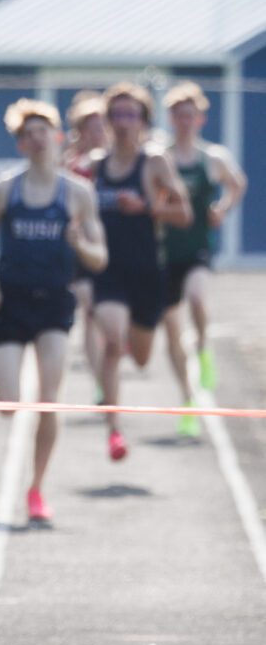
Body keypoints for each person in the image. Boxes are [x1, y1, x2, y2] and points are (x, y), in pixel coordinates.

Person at [0, 98, 107, 523]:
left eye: (41, 131)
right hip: (11, 303)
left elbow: (100, 257)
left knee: (49, 400)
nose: (35, 138)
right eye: (26, 134)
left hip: (53, 304)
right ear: (20, 144)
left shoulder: (78, 193)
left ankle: (36, 489)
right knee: (11, 405)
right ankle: (3, 390)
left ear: (56, 136)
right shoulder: (5, 189)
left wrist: (77, 244)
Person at [91, 82, 191, 460]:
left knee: (142, 357)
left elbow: (184, 214)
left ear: (144, 121)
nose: (122, 122)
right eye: (116, 114)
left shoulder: (154, 163)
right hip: (108, 272)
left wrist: (147, 207)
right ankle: (114, 430)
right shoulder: (96, 166)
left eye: (130, 114)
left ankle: (134, 341)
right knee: (113, 344)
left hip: (148, 274)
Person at [162, 81, 248, 436]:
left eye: (190, 115)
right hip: (165, 251)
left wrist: (222, 209)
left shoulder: (212, 157)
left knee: (197, 297)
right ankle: (187, 400)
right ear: (171, 118)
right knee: (170, 329)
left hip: (197, 246)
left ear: (200, 119)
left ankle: (203, 348)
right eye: (179, 115)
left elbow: (238, 183)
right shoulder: (159, 157)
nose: (184, 121)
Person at [63, 91, 109, 400]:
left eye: (101, 126)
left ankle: (109, 362)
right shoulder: (71, 167)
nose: (97, 133)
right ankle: (100, 381)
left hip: (118, 248)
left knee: (110, 319)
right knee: (90, 311)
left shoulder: (118, 162)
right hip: (85, 252)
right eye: (90, 127)